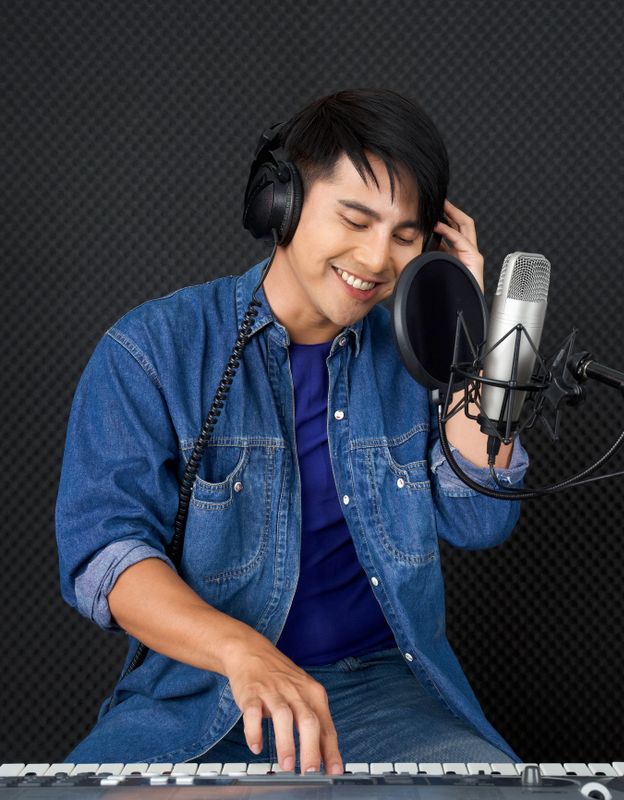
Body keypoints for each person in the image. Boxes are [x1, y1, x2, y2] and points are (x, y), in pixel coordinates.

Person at [55, 88, 530, 773]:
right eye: (355, 219)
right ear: (280, 202)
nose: (376, 260)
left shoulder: (421, 358)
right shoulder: (154, 349)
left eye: (405, 236)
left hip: (384, 700)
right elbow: (105, 555)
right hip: (200, 693)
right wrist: (242, 652)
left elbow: (479, 521)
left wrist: (464, 337)